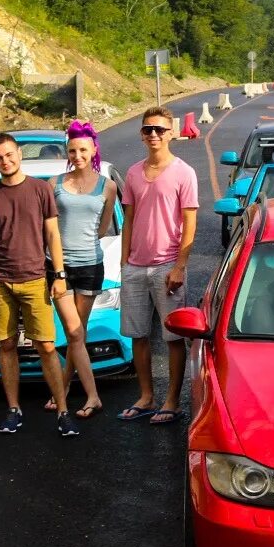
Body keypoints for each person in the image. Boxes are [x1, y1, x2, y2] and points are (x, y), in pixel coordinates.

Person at [0, 133, 73, 436]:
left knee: (47, 346)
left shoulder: (41, 190)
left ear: (19, 154)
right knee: (7, 345)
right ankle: (14, 409)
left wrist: (60, 274)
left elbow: (53, 235)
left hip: (36, 279)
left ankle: (63, 411)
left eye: (10, 155)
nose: (5, 161)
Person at [118, 106, 198, 425]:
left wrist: (180, 266)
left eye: (160, 130)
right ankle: (146, 396)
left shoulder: (184, 173)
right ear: (141, 133)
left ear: (171, 134)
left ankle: (172, 401)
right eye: (148, 129)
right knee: (138, 335)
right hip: (135, 267)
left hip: (167, 265)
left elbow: (190, 222)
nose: (154, 134)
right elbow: (128, 220)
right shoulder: (133, 172)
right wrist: (124, 262)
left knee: (172, 338)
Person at [49, 123, 115, 420]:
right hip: (59, 266)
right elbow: (48, 228)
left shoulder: (108, 186)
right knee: (74, 332)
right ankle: (92, 395)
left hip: (90, 264)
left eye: (83, 150)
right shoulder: (54, 183)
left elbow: (102, 228)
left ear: (93, 151)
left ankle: (61, 391)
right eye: (72, 150)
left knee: (78, 334)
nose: (77, 155)